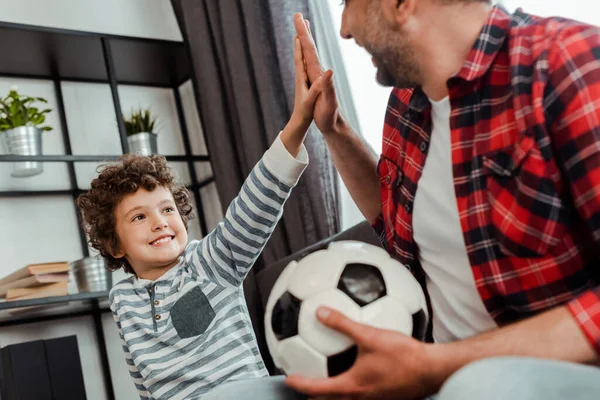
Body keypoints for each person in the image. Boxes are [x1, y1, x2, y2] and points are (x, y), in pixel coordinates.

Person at [285, 1, 600, 399]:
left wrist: (433, 367)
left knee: (476, 387)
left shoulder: (568, 65)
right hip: (438, 374)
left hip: (550, 375)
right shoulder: (406, 103)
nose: (345, 30)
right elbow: (393, 223)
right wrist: (333, 128)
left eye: (349, 5)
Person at [75, 37, 330, 399]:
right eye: (138, 217)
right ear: (114, 245)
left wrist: (298, 123)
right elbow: (144, 382)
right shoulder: (123, 300)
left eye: (167, 210)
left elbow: (253, 208)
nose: (160, 221)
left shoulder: (209, 262)